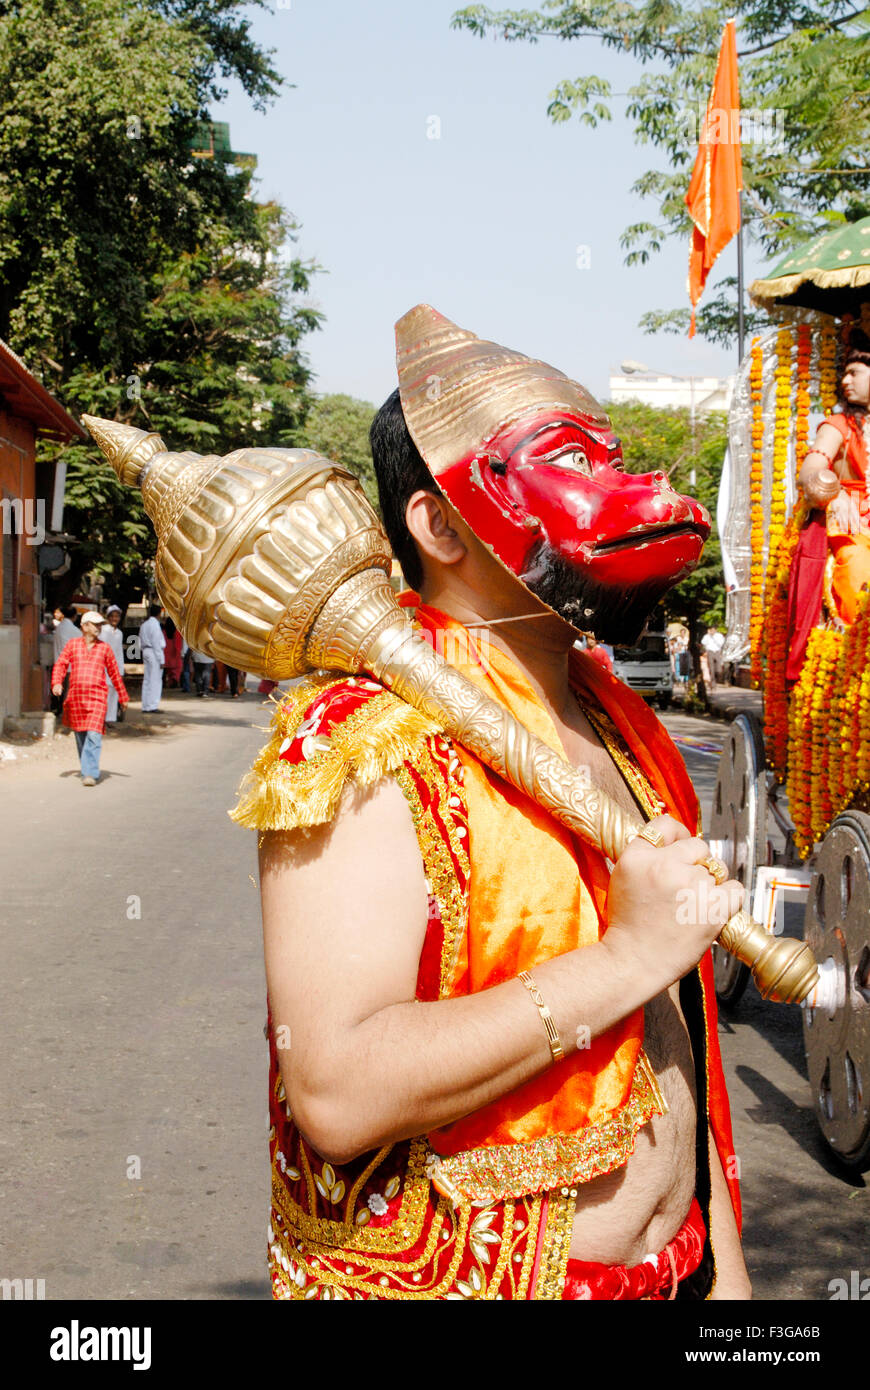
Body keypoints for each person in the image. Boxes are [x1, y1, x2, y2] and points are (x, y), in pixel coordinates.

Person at [245, 306, 748, 1301]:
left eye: (610, 457)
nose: (621, 487)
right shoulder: (366, 740)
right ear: (439, 523)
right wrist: (629, 954)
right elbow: (336, 1090)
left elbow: (676, 1020)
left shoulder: (621, 723)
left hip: (680, 1270)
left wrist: (726, 1269)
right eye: (571, 460)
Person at [791, 337, 870, 644]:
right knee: (857, 572)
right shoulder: (838, 425)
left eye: (854, 372)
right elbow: (810, 470)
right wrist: (833, 494)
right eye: (844, 373)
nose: (845, 381)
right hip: (852, 531)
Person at [51, 610, 128, 785]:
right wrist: (57, 682)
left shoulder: (105, 648)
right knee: (81, 736)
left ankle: (90, 773)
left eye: (101, 624)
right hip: (77, 698)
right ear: (84, 626)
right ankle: (86, 768)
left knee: (94, 735)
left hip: (97, 698)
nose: (99, 628)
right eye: (95, 624)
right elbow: (61, 664)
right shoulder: (72, 645)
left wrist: (122, 697)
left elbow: (115, 674)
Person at [100, 605, 125, 725]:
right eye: (113, 616)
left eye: (117, 616)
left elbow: (119, 652)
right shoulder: (103, 630)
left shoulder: (119, 633)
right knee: (104, 692)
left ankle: (110, 718)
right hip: (103, 666)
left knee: (114, 692)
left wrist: (121, 670)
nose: (115, 619)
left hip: (115, 667)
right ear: (108, 617)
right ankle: (101, 718)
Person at [139, 603, 165, 712]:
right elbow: (156, 643)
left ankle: (145, 705)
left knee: (147, 679)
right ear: (159, 613)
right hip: (153, 651)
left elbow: (139, 639)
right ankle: (152, 706)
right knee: (155, 680)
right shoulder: (155, 625)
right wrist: (161, 659)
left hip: (146, 650)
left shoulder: (144, 624)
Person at [162, 617, 183, 687]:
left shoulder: (163, 631)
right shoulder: (177, 632)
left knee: (166, 669)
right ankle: (174, 680)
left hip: (165, 653)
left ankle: (165, 681)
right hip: (174, 654)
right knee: (176, 669)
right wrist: (178, 653)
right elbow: (178, 644)